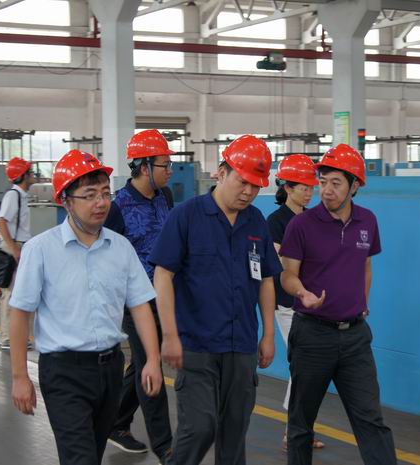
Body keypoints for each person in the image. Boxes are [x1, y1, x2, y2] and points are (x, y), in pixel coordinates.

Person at [8, 149, 163, 465]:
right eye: (90, 195)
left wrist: (152, 360)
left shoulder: (120, 248)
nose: (101, 202)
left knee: (92, 454)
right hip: (64, 372)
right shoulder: (40, 250)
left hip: (110, 369)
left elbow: (140, 306)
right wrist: (19, 375)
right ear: (66, 200)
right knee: (80, 458)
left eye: (105, 193)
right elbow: (20, 314)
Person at [150, 134, 281, 465]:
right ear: (221, 172)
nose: (248, 192)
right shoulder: (186, 216)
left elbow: (266, 278)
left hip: (242, 346)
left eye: (256, 186)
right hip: (197, 346)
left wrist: (268, 334)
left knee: (235, 435)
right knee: (199, 427)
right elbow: (162, 275)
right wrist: (169, 335)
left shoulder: (256, 221)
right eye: (243, 182)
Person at [280, 144, 397, 465]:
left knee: (371, 420)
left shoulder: (367, 221)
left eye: (336, 183)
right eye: (322, 182)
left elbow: (366, 265)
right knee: (301, 424)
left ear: (354, 186)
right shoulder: (301, 225)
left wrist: (363, 302)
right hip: (312, 336)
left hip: (355, 338)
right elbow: (287, 275)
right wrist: (302, 293)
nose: (326, 190)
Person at [104, 129, 175, 461]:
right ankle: (165, 446)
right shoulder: (117, 207)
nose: (170, 170)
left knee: (143, 363)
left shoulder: (165, 197)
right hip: (134, 301)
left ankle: (116, 422)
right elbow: (105, 257)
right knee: (150, 364)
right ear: (144, 167)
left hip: (164, 295)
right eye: (164, 164)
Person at [265, 154, 325, 452]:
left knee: (309, 365)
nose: (309, 192)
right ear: (287, 187)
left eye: (312, 187)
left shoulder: (312, 219)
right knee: (303, 362)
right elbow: (283, 264)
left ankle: (299, 429)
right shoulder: (276, 222)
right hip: (288, 303)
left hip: (311, 302)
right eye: (304, 187)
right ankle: (295, 430)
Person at [0, 157, 35, 350]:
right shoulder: (14, 195)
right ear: (22, 176)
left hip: (21, 246)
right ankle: (7, 338)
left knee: (20, 293)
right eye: (30, 172)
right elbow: (1, 221)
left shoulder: (22, 196)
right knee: (11, 294)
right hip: (14, 247)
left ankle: (18, 337)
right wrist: (14, 249)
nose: (33, 175)